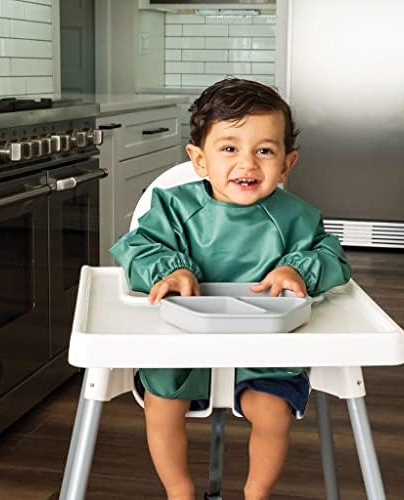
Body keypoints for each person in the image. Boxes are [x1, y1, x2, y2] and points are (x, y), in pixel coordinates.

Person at [110, 78, 351, 500]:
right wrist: (171, 270)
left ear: (288, 163)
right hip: (183, 342)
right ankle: (178, 490)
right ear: (199, 159)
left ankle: (257, 492)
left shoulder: (296, 217)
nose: (247, 164)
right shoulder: (173, 207)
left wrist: (298, 270)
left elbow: (333, 258)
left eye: (264, 151)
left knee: (273, 414)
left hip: (265, 346)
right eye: (229, 148)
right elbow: (136, 248)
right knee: (162, 403)